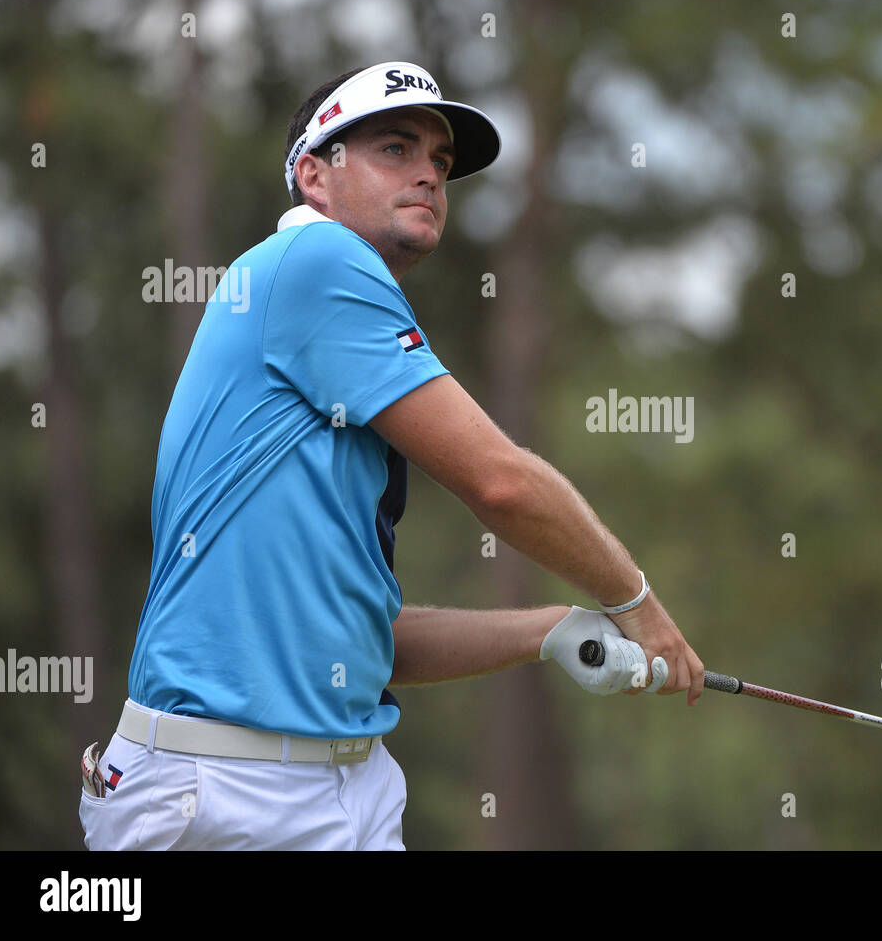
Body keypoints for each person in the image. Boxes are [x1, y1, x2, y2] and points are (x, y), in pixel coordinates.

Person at [78, 61, 703, 851]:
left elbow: (364, 644)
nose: (428, 175)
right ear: (315, 175)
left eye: (439, 163)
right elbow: (501, 482)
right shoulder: (316, 263)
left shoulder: (337, 330)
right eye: (395, 149)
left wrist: (550, 628)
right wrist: (636, 604)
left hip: (348, 790)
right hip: (221, 793)